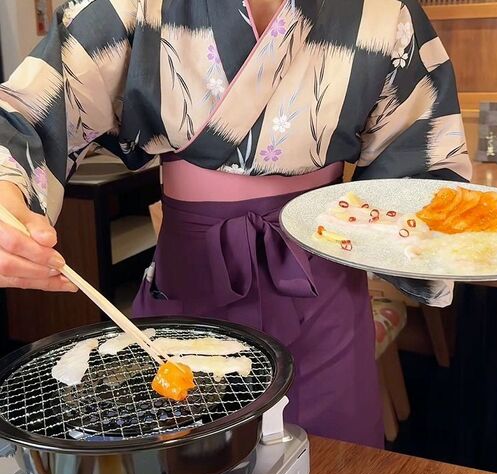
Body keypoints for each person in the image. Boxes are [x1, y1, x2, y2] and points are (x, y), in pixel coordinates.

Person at [0, 0, 470, 447]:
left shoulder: (385, 13)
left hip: (320, 286)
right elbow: (25, 112)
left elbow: (425, 166)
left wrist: (445, 231)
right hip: (187, 289)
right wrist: (7, 191)